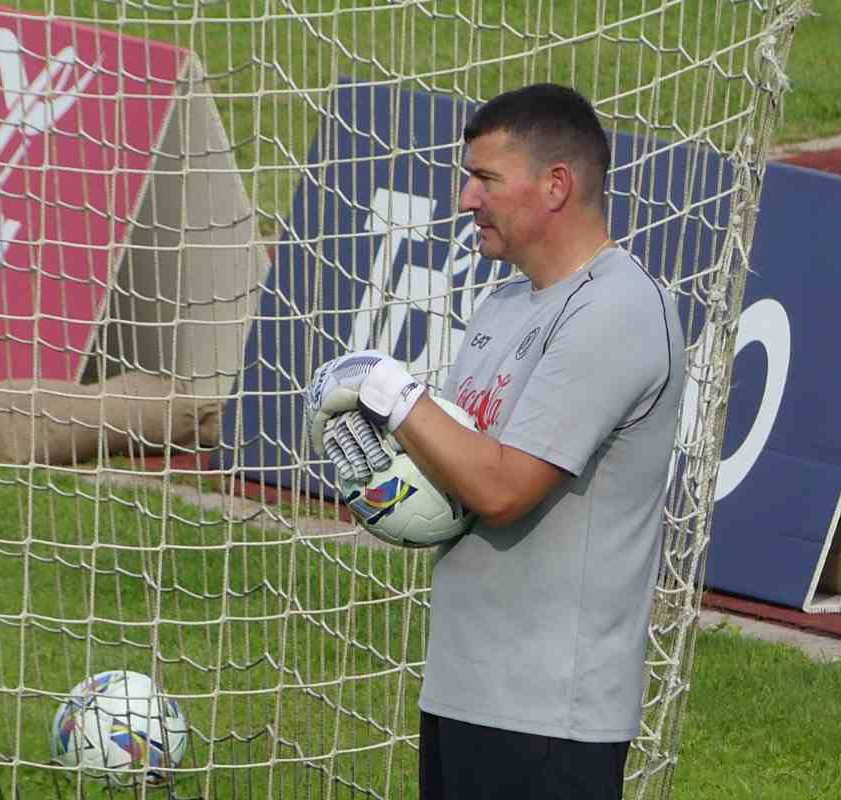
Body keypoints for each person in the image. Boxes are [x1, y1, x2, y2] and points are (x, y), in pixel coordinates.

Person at [304, 83, 686, 800]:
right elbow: (460, 480)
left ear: (555, 186)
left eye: (484, 178)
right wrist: (389, 483)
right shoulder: (503, 304)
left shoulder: (620, 311)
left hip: (549, 716)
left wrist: (391, 391)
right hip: (465, 689)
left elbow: (501, 489)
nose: (464, 200)